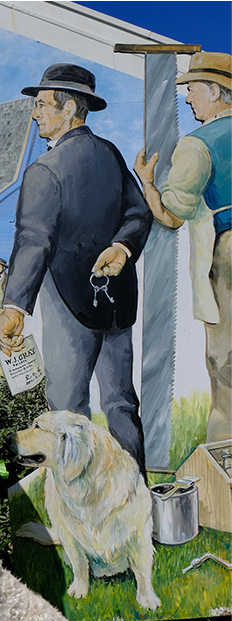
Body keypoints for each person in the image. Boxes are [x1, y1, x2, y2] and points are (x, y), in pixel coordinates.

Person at [0, 64, 152, 475]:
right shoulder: (111, 154)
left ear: (69, 109)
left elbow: (33, 242)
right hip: (116, 301)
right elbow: (139, 214)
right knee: (120, 402)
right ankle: (133, 495)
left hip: (68, 305)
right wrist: (122, 246)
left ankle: (73, 510)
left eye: (42, 105)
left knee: (66, 410)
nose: (35, 114)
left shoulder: (44, 170)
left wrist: (14, 307)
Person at [134, 52, 232, 443]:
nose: (189, 98)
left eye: (192, 89)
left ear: (215, 91)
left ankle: (224, 450)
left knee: (224, 362)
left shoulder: (196, 145)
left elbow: (172, 215)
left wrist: (147, 182)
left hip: (227, 251)